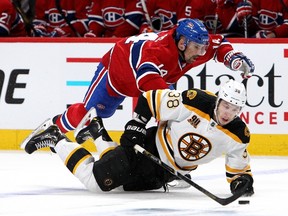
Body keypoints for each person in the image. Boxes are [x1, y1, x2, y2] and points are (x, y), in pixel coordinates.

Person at [21, 79, 254, 196]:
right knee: (96, 183)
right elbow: (150, 98)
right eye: (225, 105)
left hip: (165, 172)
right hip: (148, 146)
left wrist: (241, 183)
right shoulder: (194, 101)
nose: (227, 113)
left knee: (118, 188)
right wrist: (137, 125)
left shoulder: (238, 134)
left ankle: (97, 132)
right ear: (219, 99)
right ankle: (56, 139)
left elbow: (238, 168)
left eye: (234, 109)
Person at [50, 18, 255, 136]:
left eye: (203, 48)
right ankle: (53, 129)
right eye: (197, 48)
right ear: (182, 43)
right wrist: (173, 105)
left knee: (170, 119)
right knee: (90, 116)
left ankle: (169, 160)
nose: (202, 53)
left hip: (159, 78)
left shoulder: (192, 44)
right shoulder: (156, 51)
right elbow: (148, 81)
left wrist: (233, 58)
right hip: (118, 74)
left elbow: (218, 44)